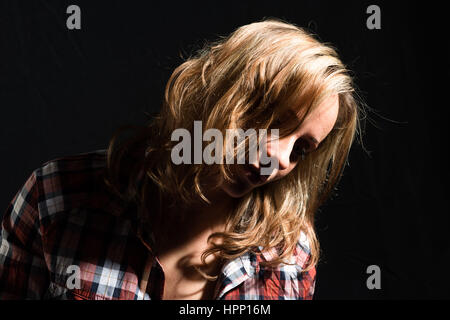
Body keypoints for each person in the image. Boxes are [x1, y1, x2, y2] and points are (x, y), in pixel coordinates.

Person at [0, 18, 362, 300]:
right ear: (220, 89)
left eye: (301, 149)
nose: (280, 158)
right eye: (273, 121)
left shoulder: (288, 254)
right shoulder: (58, 198)